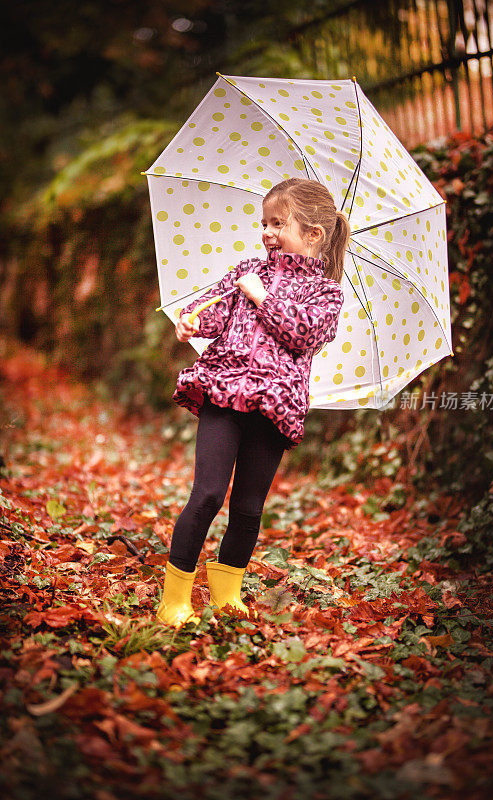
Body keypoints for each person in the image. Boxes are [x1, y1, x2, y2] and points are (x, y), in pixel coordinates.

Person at [156, 178, 349, 628]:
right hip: (226, 394)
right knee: (206, 493)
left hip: (274, 408)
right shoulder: (248, 270)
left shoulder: (327, 294)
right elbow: (213, 309)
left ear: (313, 234)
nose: (266, 231)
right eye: (264, 222)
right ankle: (175, 597)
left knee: (247, 508)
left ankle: (227, 594)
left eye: (278, 223)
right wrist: (193, 322)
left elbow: (303, 333)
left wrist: (261, 296)